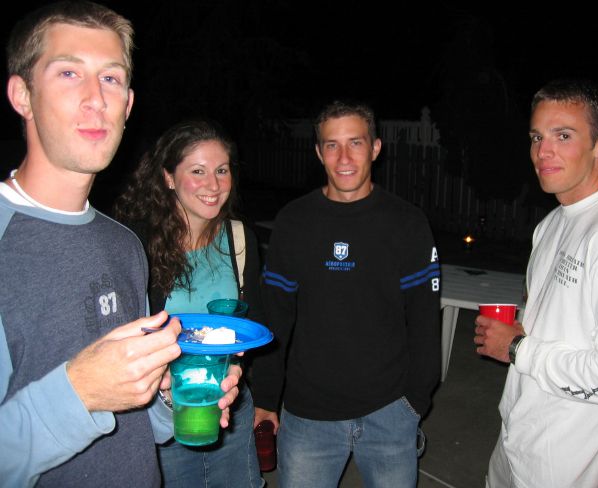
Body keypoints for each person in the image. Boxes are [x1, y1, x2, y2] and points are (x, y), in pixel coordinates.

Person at [0, 3, 240, 487]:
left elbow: (138, 424)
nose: (96, 99)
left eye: (110, 79)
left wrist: (170, 395)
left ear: (128, 105)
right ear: (22, 94)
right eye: (69, 73)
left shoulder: (124, 245)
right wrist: (79, 391)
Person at [252, 100, 441, 487]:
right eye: (332, 145)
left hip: (390, 411)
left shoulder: (407, 223)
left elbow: (425, 321)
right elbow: (275, 319)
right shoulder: (295, 222)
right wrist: (266, 399)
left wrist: (415, 402)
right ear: (318, 152)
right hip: (308, 416)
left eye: (355, 143)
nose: (343, 158)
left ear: (375, 148)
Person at [474, 79, 598, 487]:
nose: (543, 151)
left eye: (563, 136)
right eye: (537, 136)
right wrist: (519, 334)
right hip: (516, 442)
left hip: (566, 466)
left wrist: (518, 348)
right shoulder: (552, 223)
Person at [114, 119, 264, 487]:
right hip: (161, 413)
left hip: (229, 406)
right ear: (168, 177)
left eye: (221, 170)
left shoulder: (240, 239)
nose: (213, 185)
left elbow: (252, 324)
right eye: (198, 171)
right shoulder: (135, 243)